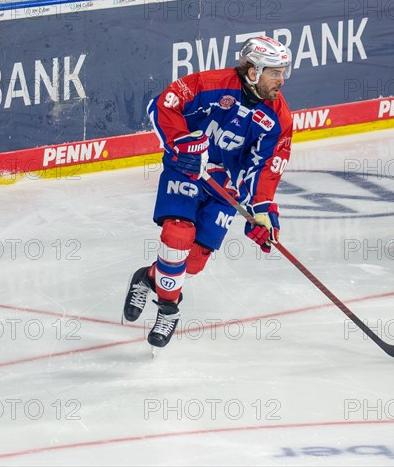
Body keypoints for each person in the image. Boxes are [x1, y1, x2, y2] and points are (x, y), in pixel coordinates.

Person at [123, 36, 294, 348]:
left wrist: (262, 211)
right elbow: (166, 103)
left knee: (193, 263)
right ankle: (169, 309)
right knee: (177, 235)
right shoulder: (211, 84)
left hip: (224, 189)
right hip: (187, 169)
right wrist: (181, 143)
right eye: (274, 72)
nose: (281, 80)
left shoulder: (278, 119)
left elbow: (266, 166)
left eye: (283, 71)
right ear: (253, 71)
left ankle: (148, 277)